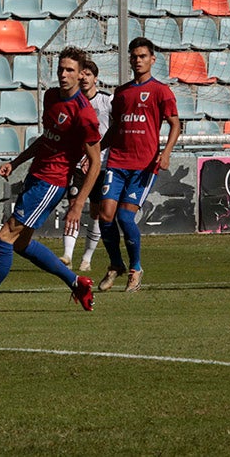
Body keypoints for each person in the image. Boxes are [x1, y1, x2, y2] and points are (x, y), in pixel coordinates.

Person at [0, 46, 101, 316]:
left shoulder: (84, 113)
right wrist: (16, 162)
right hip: (36, 174)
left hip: (52, 182)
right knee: (20, 243)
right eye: (61, 69)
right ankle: (77, 283)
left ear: (81, 76)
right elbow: (46, 139)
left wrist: (78, 204)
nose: (63, 75)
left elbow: (95, 162)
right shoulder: (52, 97)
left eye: (70, 70)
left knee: (5, 236)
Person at [97, 37, 181, 293]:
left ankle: (135, 268)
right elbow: (115, 129)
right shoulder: (121, 93)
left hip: (144, 165)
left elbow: (175, 124)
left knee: (124, 216)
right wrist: (93, 151)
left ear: (152, 59)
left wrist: (165, 153)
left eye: (143, 56)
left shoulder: (160, 91)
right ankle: (115, 264)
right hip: (117, 161)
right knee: (105, 215)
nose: (138, 60)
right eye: (134, 56)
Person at [60, 58, 113, 273]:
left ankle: (87, 258)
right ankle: (67, 255)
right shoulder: (74, 101)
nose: (84, 79)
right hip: (76, 163)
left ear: (95, 78)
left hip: (101, 163)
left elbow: (114, 130)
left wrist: (97, 153)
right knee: (74, 204)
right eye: (81, 75)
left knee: (96, 211)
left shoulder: (107, 101)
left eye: (88, 75)